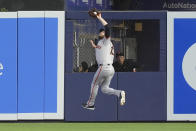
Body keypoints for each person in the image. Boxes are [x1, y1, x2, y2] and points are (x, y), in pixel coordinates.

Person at [82, 12, 126, 110]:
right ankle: (119, 93)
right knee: (104, 89)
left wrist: (99, 17)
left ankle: (91, 104)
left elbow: (107, 28)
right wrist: (94, 45)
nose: (101, 32)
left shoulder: (106, 41)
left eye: (102, 32)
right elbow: (99, 47)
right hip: (110, 69)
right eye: (100, 32)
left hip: (104, 67)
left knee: (94, 84)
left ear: (105, 34)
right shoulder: (102, 43)